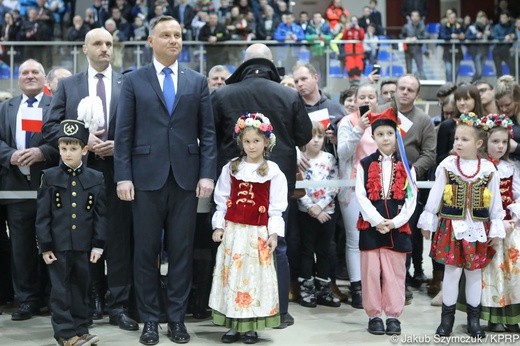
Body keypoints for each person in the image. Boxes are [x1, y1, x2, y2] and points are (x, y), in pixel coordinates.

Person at [114, 15, 216, 345]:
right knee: (145, 253)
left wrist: (206, 173)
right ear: (150, 41)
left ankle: (176, 319)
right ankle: (150, 320)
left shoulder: (197, 81)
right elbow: (124, 133)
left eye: (178, 35)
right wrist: (123, 177)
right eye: (166, 35)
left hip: (186, 179)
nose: (174, 40)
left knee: (181, 252)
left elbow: (208, 134)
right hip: (144, 180)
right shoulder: (133, 80)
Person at [212, 43, 312, 330]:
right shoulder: (289, 94)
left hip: (233, 180)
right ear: (271, 65)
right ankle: (278, 312)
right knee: (276, 247)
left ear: (243, 64)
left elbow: (211, 135)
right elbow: (304, 134)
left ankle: (231, 312)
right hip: (275, 181)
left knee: (233, 249)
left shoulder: (221, 94)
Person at [43, 27, 137, 331]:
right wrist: (83, 142)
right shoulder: (69, 85)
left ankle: (119, 305)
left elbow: (140, 128)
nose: (105, 48)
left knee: (119, 239)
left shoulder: (128, 82)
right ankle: (91, 299)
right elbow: (50, 127)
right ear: (85, 49)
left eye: (109, 43)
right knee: (83, 237)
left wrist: (119, 146)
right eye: (98, 43)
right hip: (79, 174)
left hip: (117, 171)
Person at [418, 113, 506, 338]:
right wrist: (429, 220)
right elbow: (436, 195)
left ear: (478, 143)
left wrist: (495, 227)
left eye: (464, 140)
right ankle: (446, 320)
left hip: (477, 228)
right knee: (452, 272)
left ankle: (473, 321)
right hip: (451, 227)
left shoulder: (487, 169)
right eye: (457, 139)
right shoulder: (448, 165)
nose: (458, 143)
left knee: (474, 273)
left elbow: (495, 200)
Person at [209, 112, 287, 344]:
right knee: (232, 276)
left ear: (266, 142)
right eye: (247, 141)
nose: (252, 146)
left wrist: (273, 233)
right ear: (240, 143)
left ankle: (251, 325)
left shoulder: (273, 171)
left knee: (254, 278)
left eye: (256, 141)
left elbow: (276, 207)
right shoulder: (231, 168)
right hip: (234, 232)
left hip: (257, 234)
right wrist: (218, 226)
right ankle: (233, 324)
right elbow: (222, 199)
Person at [36, 119, 106, 346]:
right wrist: (45, 245)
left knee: (81, 287)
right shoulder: (50, 176)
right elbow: (43, 216)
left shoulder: (95, 178)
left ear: (84, 150)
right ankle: (65, 334)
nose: (67, 154)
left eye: (73, 149)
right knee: (60, 290)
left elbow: (99, 214)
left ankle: (80, 328)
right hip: (58, 246)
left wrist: (98, 244)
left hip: (84, 245)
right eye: (63, 149)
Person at [0, 59, 59, 321]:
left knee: (52, 244)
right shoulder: (6, 107)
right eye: (25, 72)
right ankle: (26, 300)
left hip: (48, 187)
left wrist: (42, 152)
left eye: (35, 72)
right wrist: (10, 156)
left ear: (44, 79)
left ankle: (53, 297)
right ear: (18, 78)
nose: (30, 76)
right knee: (21, 247)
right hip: (15, 188)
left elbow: (64, 140)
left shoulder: (55, 104)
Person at [355, 107, 417, 336]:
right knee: (370, 272)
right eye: (380, 134)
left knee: (395, 273)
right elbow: (360, 195)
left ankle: (392, 315)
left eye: (389, 133)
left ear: (397, 134)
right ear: (373, 137)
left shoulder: (407, 165)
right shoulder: (364, 163)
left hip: (397, 228)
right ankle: (374, 315)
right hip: (371, 227)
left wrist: (396, 221)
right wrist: (376, 220)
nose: (385, 138)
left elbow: (412, 198)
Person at [474, 114, 520, 333]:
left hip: (509, 227)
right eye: (495, 141)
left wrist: (514, 217)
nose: (500, 146)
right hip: (489, 227)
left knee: (512, 272)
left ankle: (512, 318)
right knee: (492, 272)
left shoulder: (511, 168)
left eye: (504, 142)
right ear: (484, 142)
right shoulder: (479, 167)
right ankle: (492, 317)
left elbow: (517, 196)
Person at [337, 83, 380, 309]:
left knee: (377, 240)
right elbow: (342, 152)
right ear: (355, 100)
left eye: (371, 96)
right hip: (352, 187)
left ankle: (375, 285)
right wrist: (359, 129)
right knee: (355, 240)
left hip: (380, 188)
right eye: (362, 96)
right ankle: (357, 287)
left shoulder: (385, 119)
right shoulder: (347, 122)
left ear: (377, 99)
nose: (366, 100)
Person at [395, 75, 436, 303]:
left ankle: (402, 283)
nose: (405, 92)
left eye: (410, 89)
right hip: (378, 183)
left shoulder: (424, 120)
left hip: (408, 186)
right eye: (402, 88)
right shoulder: (383, 112)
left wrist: (411, 173)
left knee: (405, 237)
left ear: (416, 94)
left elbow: (429, 153)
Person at [297, 121, 340, 309]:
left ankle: (324, 288)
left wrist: (321, 207)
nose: (315, 140)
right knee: (306, 251)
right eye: (312, 136)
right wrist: (310, 208)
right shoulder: (299, 159)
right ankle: (306, 289)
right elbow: (297, 186)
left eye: (320, 136)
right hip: (305, 212)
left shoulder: (329, 158)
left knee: (324, 251)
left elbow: (335, 184)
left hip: (327, 212)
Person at [494, 76, 520, 169]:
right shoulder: (496, 119)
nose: (504, 109)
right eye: (500, 106)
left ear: (517, 99)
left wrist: (516, 147)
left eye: (508, 105)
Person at [465, 11, 492, 83]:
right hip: (476, 52)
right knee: (479, 72)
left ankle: (474, 86)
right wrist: (475, 36)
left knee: (480, 72)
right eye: (481, 19)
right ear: (478, 19)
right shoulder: (472, 27)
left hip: (485, 52)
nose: (483, 21)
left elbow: (492, 38)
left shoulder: (488, 27)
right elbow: (466, 36)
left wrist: (489, 35)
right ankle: (471, 84)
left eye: (484, 19)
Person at [439, 10, 465, 82]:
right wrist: (451, 36)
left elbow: (464, 35)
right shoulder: (444, 26)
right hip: (447, 52)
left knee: (456, 71)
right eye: (450, 18)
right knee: (448, 70)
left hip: (458, 52)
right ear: (448, 18)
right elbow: (442, 36)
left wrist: (461, 36)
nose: (452, 19)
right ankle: (449, 85)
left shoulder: (459, 26)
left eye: (454, 17)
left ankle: (454, 84)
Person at [400, 10, 427, 80]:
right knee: (408, 69)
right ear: (410, 17)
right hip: (408, 49)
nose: (415, 17)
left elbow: (426, 36)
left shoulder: (423, 26)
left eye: (416, 16)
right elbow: (401, 36)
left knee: (420, 68)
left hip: (418, 49)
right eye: (413, 16)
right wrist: (406, 38)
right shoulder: (406, 26)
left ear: (419, 17)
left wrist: (417, 38)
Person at [491, 11, 515, 77]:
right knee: (499, 71)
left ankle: (511, 84)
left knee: (513, 68)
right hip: (497, 52)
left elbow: (515, 36)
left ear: (508, 18)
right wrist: (504, 37)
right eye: (501, 17)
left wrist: (513, 36)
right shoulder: (497, 27)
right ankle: (500, 86)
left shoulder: (512, 26)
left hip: (507, 52)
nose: (502, 19)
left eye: (504, 17)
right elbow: (495, 36)